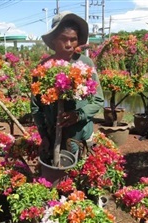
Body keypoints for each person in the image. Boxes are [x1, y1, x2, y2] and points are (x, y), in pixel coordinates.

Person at [31, 11, 104, 162]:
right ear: (53, 40)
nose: (69, 45)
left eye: (73, 39)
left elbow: (98, 100)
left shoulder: (85, 65)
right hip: (53, 140)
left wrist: (78, 115)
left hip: (80, 138)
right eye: (63, 39)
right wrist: (44, 136)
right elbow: (36, 107)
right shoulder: (43, 68)